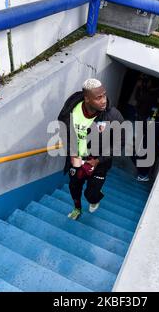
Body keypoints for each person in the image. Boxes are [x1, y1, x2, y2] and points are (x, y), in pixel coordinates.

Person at [57, 78, 125, 220]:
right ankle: (77, 209)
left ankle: (95, 198)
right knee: (74, 187)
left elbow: (120, 143)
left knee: (91, 195)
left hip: (99, 164)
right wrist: (72, 152)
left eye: (104, 95)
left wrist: (98, 160)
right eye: (98, 98)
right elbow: (64, 131)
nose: (104, 100)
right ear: (87, 99)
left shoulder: (113, 116)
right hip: (77, 160)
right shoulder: (72, 108)